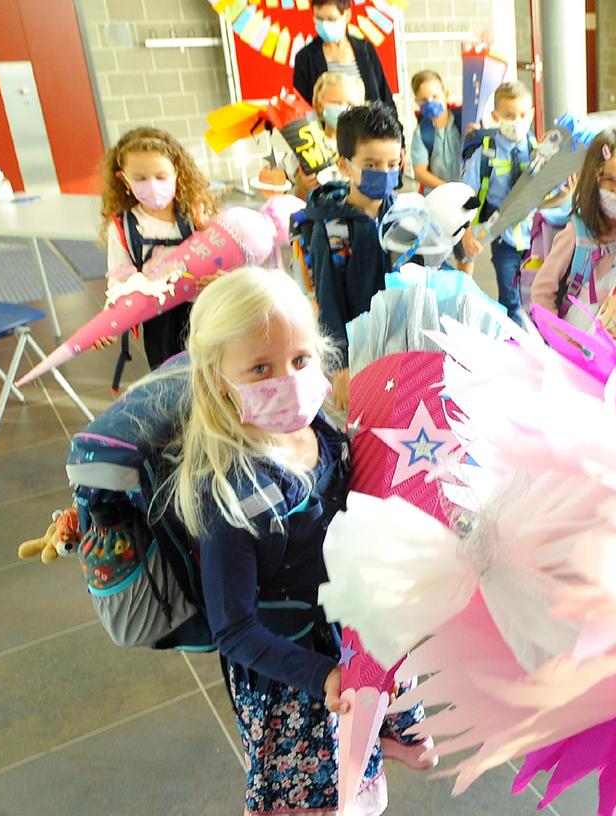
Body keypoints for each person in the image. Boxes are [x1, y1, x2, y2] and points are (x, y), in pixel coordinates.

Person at [166, 267, 427, 815]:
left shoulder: (322, 429)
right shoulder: (230, 495)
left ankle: (382, 741)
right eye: (260, 368)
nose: (287, 379)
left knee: (358, 747)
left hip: (347, 630)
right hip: (293, 679)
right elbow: (235, 630)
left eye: (300, 361)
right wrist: (322, 675)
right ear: (219, 378)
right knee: (321, 787)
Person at [528, 128, 616, 366]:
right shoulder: (577, 234)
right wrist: (565, 342)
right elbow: (541, 293)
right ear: (594, 180)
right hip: (582, 356)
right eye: (610, 180)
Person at [98, 126, 219, 384]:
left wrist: (220, 273)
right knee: (173, 382)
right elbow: (119, 283)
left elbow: (228, 258)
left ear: (178, 171)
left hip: (207, 311)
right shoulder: (124, 228)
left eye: (161, 176)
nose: (152, 185)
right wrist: (111, 318)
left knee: (215, 376)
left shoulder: (197, 214)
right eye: (140, 179)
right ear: (123, 180)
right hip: (160, 322)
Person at [303, 103, 403, 389]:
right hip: (360, 355)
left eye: (392, 164)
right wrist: (341, 366)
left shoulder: (406, 215)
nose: (384, 173)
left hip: (404, 345)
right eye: (371, 165)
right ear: (345, 165)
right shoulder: (332, 231)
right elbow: (329, 303)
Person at [458, 80, 563, 323]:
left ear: (532, 114)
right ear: (496, 116)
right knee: (510, 298)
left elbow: (550, 196)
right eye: (509, 115)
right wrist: (467, 233)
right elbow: (466, 195)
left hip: (536, 237)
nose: (517, 121)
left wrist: (567, 190)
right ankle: (515, 346)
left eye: (523, 114)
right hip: (502, 237)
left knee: (539, 296)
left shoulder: (540, 152)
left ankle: (539, 344)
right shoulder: (485, 154)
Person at [293, 0, 394, 110]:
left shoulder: (365, 49)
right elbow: (302, 110)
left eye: (331, 19)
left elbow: (385, 97)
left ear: (347, 15)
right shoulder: (305, 58)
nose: (324, 25)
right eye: (319, 19)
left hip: (370, 125)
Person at [290, 71, 367, 200]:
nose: (343, 108)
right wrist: (302, 186)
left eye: (351, 104)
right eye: (336, 103)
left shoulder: (367, 145)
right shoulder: (306, 144)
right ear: (320, 105)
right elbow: (297, 196)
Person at [409, 70, 463, 191]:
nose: (430, 102)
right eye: (423, 99)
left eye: (435, 96)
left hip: (468, 194)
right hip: (437, 196)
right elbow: (420, 173)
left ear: (446, 94)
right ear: (417, 102)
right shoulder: (421, 133)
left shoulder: (463, 123)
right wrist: (449, 189)